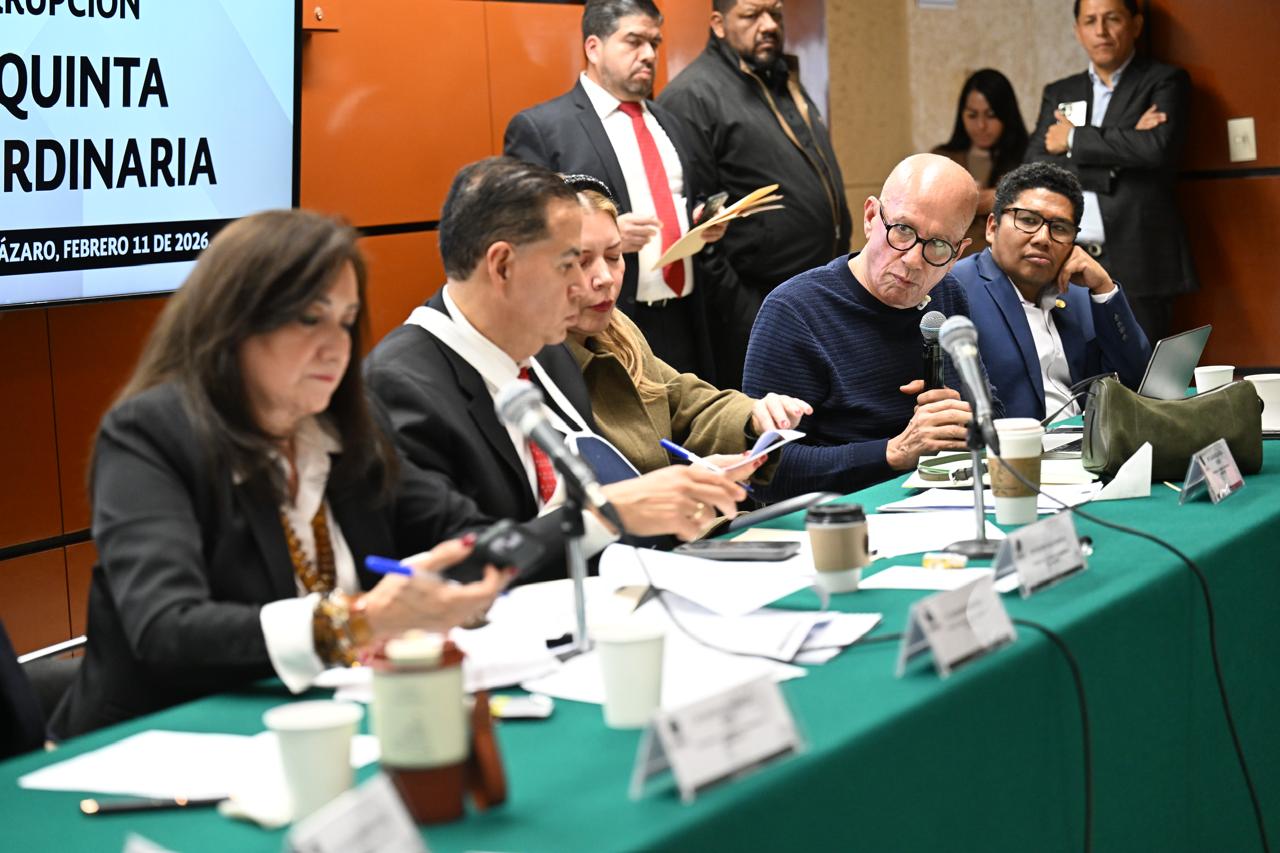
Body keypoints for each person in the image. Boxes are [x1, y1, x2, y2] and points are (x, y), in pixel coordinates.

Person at [49, 210, 532, 738]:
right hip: (164, 741)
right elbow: (167, 628)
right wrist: (357, 620)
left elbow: (467, 532)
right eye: (309, 319)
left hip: (333, 721)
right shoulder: (149, 435)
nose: (336, 346)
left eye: (346, 321)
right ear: (234, 322)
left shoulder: (350, 427)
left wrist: (456, 583)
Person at [365, 157, 745, 561]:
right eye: (569, 264)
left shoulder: (546, 351)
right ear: (502, 266)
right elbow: (454, 563)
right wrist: (607, 514)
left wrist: (675, 494)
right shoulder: (397, 387)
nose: (587, 285)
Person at [744, 153, 997, 500]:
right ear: (869, 217)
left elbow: (993, 413)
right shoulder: (795, 311)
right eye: (902, 230)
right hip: (841, 513)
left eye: (938, 246)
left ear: (957, 254)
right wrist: (894, 452)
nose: (912, 259)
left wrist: (959, 408)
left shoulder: (947, 294)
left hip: (939, 499)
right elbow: (766, 468)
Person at [503, 0, 725, 381]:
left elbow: (685, 197)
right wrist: (606, 235)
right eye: (634, 41)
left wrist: (703, 218)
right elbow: (524, 233)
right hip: (605, 324)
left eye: (655, 43)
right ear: (593, 47)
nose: (649, 54)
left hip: (688, 317)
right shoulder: (542, 128)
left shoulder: (671, 122)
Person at [658, 0, 851, 389]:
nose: (768, 25)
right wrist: (750, 316)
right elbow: (697, 230)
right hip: (754, 314)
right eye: (751, 15)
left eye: (775, 13)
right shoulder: (692, 96)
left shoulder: (779, 79)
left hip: (814, 298)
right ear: (719, 24)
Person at [564, 176, 811, 478]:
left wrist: (753, 418)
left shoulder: (618, 330)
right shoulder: (530, 365)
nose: (605, 277)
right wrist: (679, 485)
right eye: (581, 261)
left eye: (614, 256)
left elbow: (685, 402)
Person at [1026, 0, 1196, 343]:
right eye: (1090, 21)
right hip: (1068, 257)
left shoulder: (1164, 81)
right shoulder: (1060, 92)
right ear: (1078, 30)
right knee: (1075, 366)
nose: (1101, 31)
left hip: (1140, 259)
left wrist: (1072, 139)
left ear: (1135, 24)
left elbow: (1154, 149)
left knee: (1141, 368)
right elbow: (1035, 167)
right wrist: (1122, 149)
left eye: (1112, 19)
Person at [953, 163, 1151, 422]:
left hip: (1086, 439)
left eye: (1059, 228)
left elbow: (1136, 380)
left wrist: (1104, 289)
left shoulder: (1079, 294)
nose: (1042, 238)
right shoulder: (955, 287)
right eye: (1028, 220)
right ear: (992, 227)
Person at [932, 69, 1029, 257]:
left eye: (991, 115)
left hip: (1007, 265)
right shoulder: (942, 159)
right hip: (948, 264)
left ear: (1007, 115)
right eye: (972, 115)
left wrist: (1000, 198)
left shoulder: (1027, 160)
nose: (981, 125)